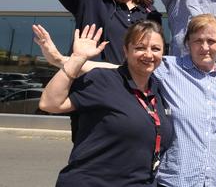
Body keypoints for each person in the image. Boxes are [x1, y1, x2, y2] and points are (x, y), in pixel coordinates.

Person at [34, 14, 216, 187]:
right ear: (187, 44)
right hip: (173, 180)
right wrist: (67, 60)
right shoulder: (169, 68)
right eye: (197, 41)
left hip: (213, 180)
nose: (205, 47)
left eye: (211, 41)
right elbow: (118, 68)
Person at [37, 21, 173, 186]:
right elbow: (50, 103)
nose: (149, 54)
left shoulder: (158, 91)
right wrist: (77, 59)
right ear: (126, 50)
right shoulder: (104, 80)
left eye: (155, 49)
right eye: (140, 48)